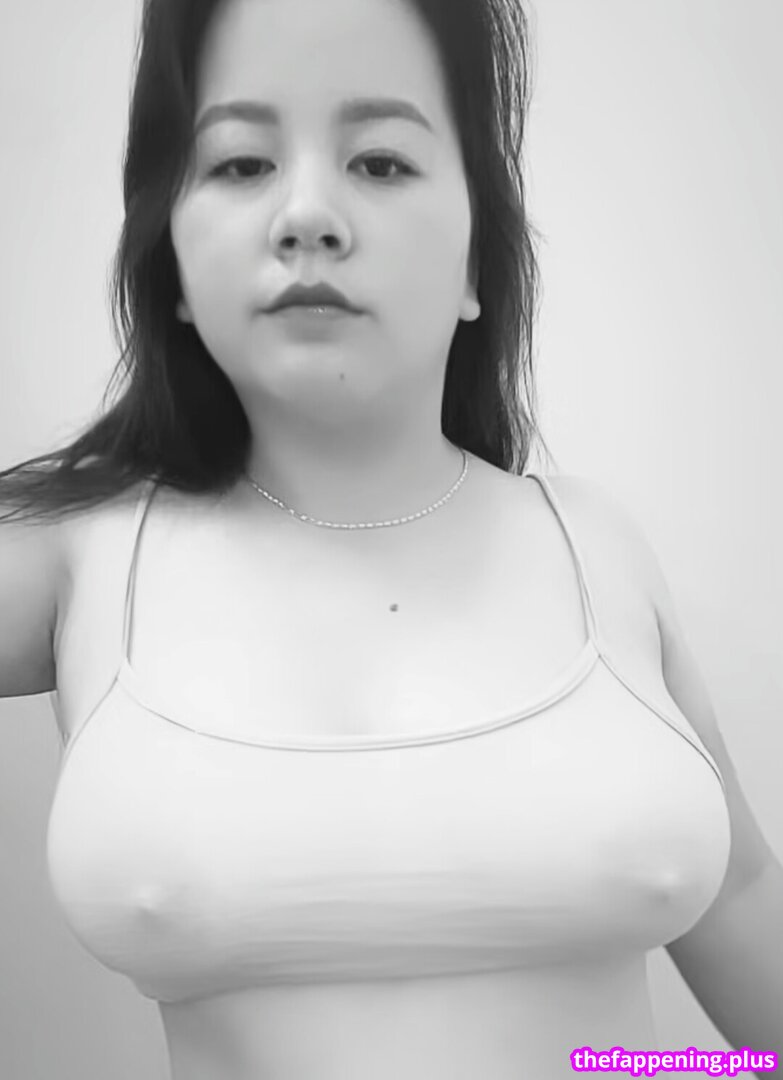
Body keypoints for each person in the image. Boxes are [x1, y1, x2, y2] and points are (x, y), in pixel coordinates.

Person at [1, 0, 781, 1076]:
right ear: (170, 259)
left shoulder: (592, 543)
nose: (307, 215)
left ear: (475, 268)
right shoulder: (81, 552)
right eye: (239, 165)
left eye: (379, 162)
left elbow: (739, 896)